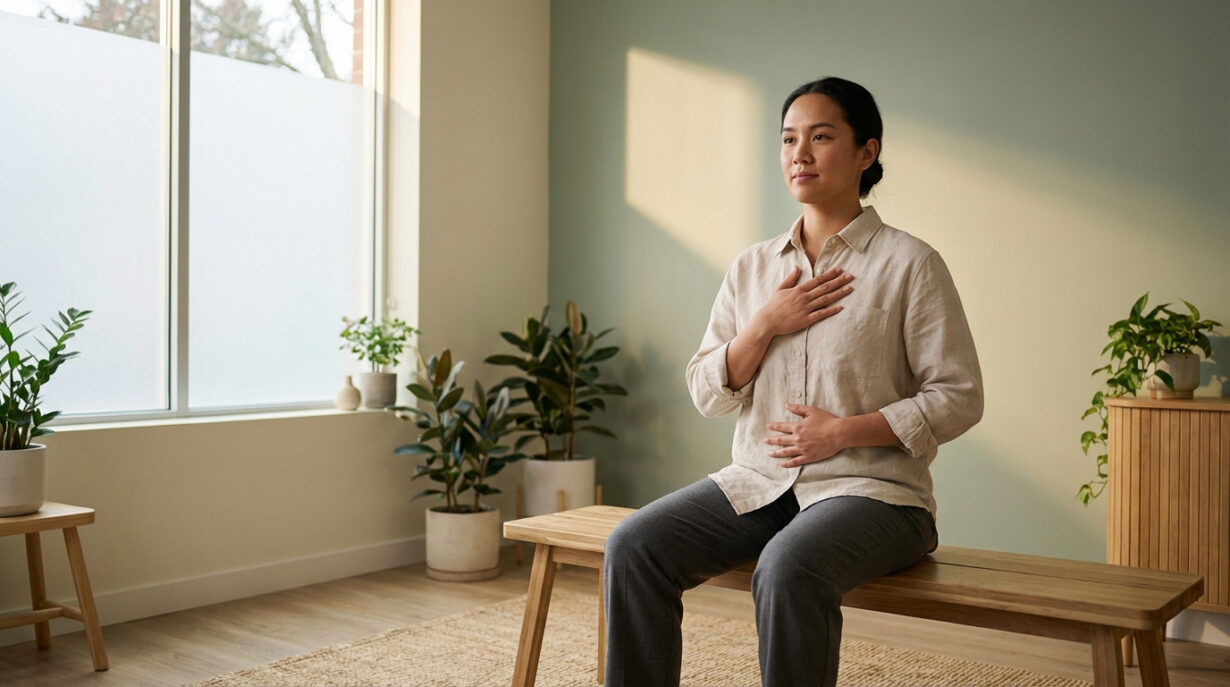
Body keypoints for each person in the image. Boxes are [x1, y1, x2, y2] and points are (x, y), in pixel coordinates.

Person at [603, 76, 984, 686]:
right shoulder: (752, 268)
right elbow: (706, 390)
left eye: (821, 136)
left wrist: (844, 432)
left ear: (867, 152)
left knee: (786, 567)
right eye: (787, 139)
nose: (799, 154)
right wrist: (763, 326)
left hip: (876, 497)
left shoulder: (910, 264)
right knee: (634, 545)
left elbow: (959, 397)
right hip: (759, 487)